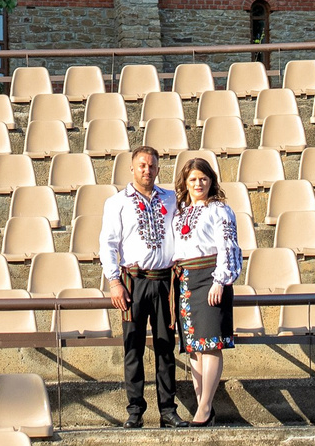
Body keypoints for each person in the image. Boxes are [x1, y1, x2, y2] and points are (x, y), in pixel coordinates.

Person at [98, 145, 179, 427]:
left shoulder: (171, 198)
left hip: (165, 281)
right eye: (142, 165)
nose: (147, 170)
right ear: (132, 168)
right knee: (133, 347)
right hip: (133, 282)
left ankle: (168, 409)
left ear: (158, 169)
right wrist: (113, 282)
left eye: (152, 165)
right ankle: (135, 409)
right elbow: (108, 244)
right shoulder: (117, 202)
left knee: (165, 347)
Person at [171, 154, 241, 425]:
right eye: (192, 179)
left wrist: (220, 280)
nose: (198, 183)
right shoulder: (181, 212)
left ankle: (205, 406)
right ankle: (204, 405)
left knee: (210, 345)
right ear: (185, 183)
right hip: (186, 279)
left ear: (211, 181)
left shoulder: (219, 210)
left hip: (210, 277)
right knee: (194, 347)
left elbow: (228, 246)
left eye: (203, 178)